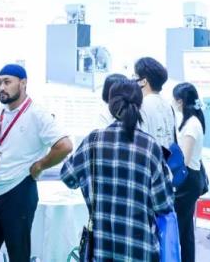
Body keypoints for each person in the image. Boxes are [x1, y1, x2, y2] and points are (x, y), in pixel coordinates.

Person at [61, 81, 174, 261]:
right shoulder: (150, 146)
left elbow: (68, 177)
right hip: (140, 249)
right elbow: (163, 204)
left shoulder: (92, 141)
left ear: (110, 105)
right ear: (139, 105)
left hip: (100, 248)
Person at [0, 64, 73, 262]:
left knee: (18, 254)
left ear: (23, 83)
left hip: (19, 190)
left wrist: (40, 165)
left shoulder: (37, 114)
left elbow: (65, 146)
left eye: (7, 82)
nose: (2, 87)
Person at [173, 82, 207, 262]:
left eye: (174, 99)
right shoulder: (191, 121)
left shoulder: (192, 125)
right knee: (186, 229)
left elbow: (184, 161)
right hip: (192, 178)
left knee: (181, 229)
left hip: (188, 180)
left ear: (181, 102)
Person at [134, 56, 176, 151]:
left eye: (135, 76)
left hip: (150, 157)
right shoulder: (167, 105)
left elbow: (140, 142)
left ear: (143, 81)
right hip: (166, 157)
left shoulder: (141, 105)